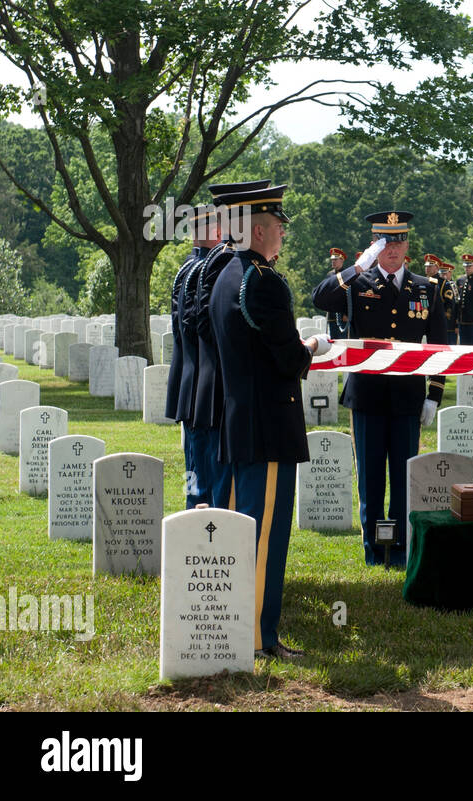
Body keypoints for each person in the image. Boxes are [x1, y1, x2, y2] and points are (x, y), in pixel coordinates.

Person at [207, 182, 328, 660]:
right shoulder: (261, 279)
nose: (282, 235)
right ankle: (257, 637)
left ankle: (234, 626)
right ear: (257, 230)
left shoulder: (223, 275)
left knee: (238, 530)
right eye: (279, 226)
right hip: (268, 427)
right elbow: (286, 359)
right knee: (263, 536)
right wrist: (313, 349)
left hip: (239, 423)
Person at [312, 211, 447, 567]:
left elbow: (439, 347)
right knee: (371, 477)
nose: (392, 248)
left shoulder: (426, 288)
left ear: (408, 245)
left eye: (399, 240)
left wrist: (433, 396)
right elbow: (320, 299)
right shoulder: (357, 283)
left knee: (404, 477)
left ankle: (400, 550)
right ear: (375, 245)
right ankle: (374, 551)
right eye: (384, 242)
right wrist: (356, 268)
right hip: (368, 395)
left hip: (407, 396)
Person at [192, 179, 272, 508]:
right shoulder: (227, 261)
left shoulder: (217, 259)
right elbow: (205, 323)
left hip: (220, 385)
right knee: (227, 494)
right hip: (227, 386)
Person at [170, 204, 219, 508]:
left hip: (191, 384)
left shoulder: (187, 269)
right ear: (215, 231)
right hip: (204, 388)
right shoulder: (206, 271)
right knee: (203, 475)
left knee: (195, 470)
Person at [325, 248, 351, 338]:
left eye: (335, 260)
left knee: (343, 341)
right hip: (332, 314)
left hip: (342, 315)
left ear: (342, 260)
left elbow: (348, 296)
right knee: (333, 340)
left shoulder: (346, 274)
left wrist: (346, 313)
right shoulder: (329, 275)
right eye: (332, 260)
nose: (333, 262)